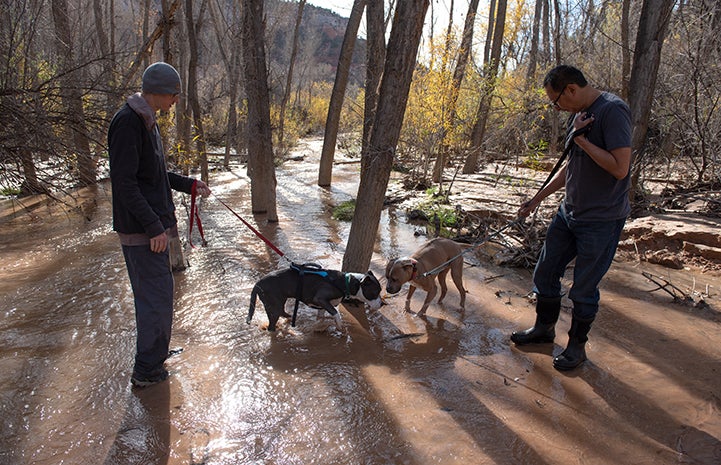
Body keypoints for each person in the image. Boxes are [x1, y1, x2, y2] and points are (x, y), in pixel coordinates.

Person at [510, 65, 632, 371]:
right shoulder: (576, 116)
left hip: (601, 219)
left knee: (583, 289)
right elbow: (571, 168)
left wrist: (583, 141)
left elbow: (620, 168)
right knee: (545, 273)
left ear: (571, 90)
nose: (556, 107)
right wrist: (537, 199)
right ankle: (543, 330)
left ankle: (577, 348)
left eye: (556, 101)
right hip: (569, 213)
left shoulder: (613, 111)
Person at [108, 62, 211, 387]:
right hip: (143, 233)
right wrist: (154, 227)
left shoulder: (146, 121)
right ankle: (146, 372)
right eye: (174, 95)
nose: (176, 101)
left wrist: (188, 184)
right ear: (160, 91)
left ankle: (155, 355)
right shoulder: (128, 123)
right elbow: (124, 184)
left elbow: (152, 176)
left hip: (152, 229)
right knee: (154, 299)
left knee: (161, 296)